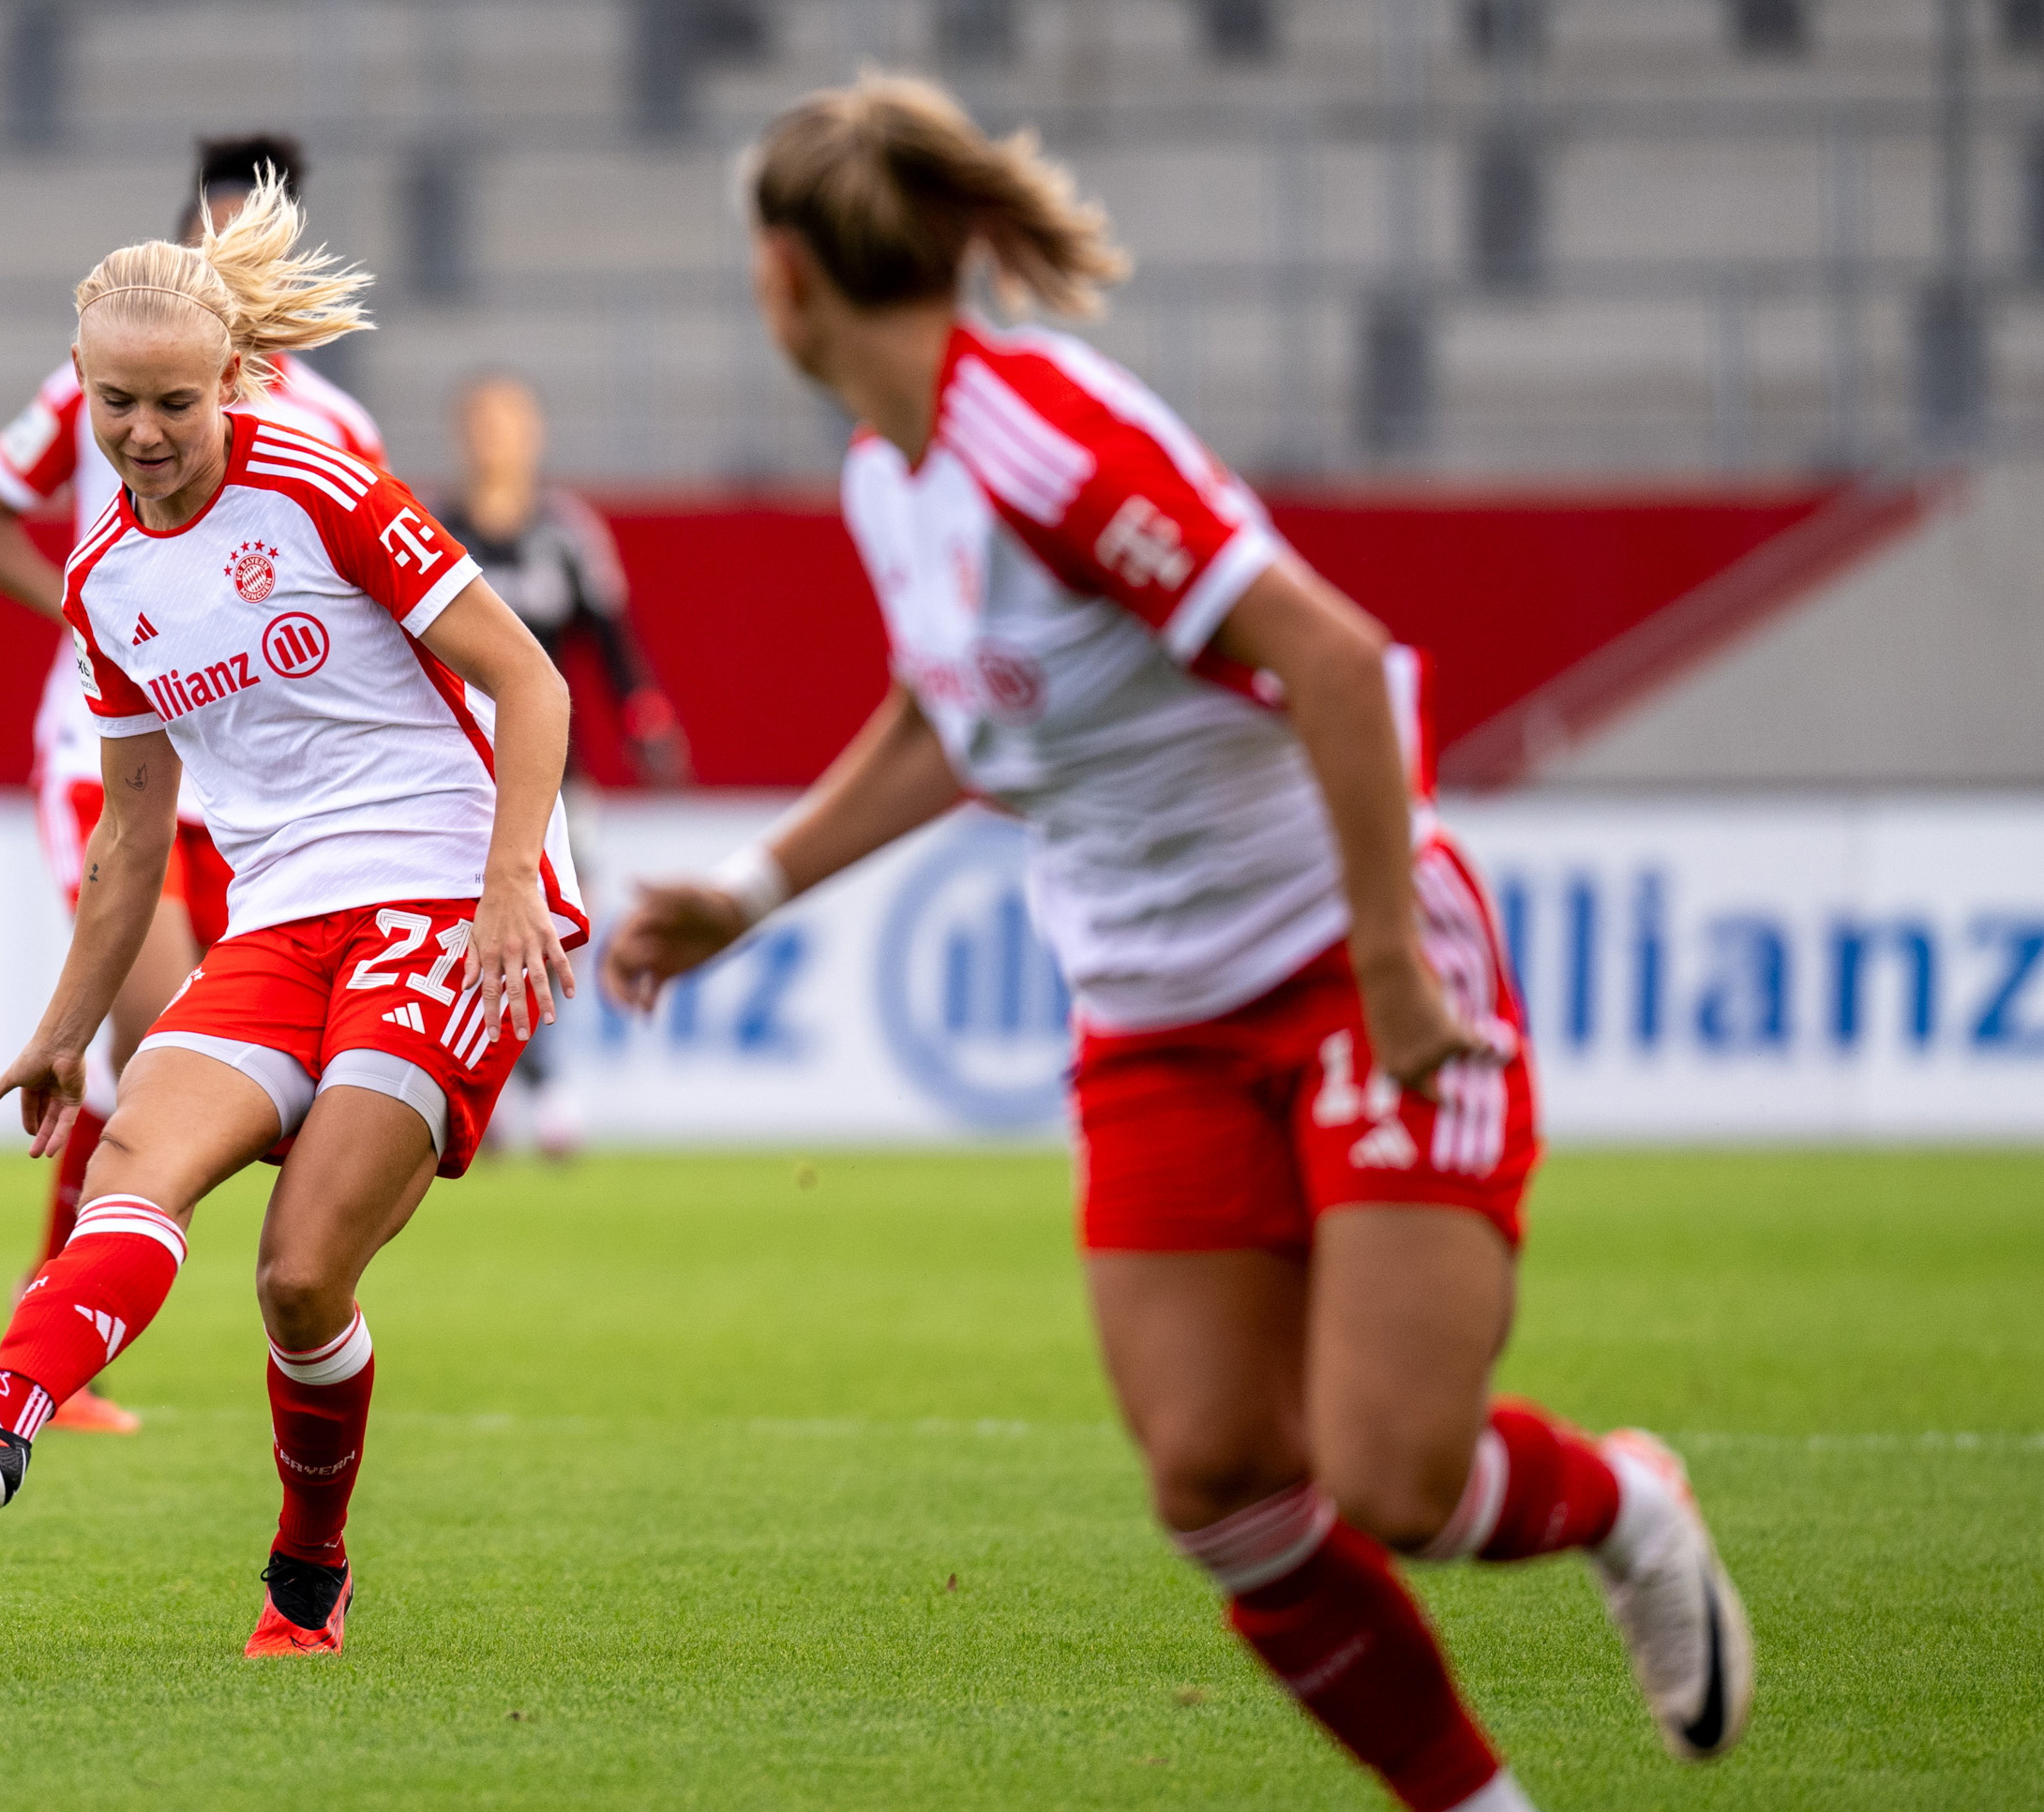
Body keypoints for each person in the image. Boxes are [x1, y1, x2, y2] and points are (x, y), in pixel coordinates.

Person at [602, 76, 1748, 1811]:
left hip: (1348, 957)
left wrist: (1383, 963)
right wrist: (753, 889)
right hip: (1149, 1011)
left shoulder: (1036, 439)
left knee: (1390, 1471)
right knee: (1216, 1476)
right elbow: (948, 713)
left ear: (784, 279)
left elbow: (1337, 662)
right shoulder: (888, 477)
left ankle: (1626, 1506)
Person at [0, 172, 582, 1656]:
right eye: (112, 406)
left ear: (234, 379)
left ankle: (308, 1569)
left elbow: (529, 678)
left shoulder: (325, 488)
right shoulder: (101, 578)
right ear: (79, 388)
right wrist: (60, 1032)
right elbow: (132, 837)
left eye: (170, 402)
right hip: (283, 924)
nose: (141, 436)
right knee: (136, 1147)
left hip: (443, 897)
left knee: (296, 1274)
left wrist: (505, 894)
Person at [0, 133, 388, 1434]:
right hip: (111, 763)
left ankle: (64, 1326)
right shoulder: (96, 381)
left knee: (189, 1060)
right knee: (169, 1033)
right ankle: (54, 1334)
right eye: (212, 229)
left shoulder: (333, 429)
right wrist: (89, 632)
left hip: (255, 799)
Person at [434, 373, 690, 1158]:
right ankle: (488, 1082)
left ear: (534, 434)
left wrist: (645, 716)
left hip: (554, 772)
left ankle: (539, 1075)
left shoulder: (566, 532)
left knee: (551, 920)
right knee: (458, 921)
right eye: (482, 422)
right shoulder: (435, 527)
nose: (496, 438)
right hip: (457, 768)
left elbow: (612, 638)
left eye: (510, 422)